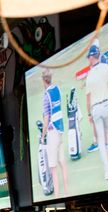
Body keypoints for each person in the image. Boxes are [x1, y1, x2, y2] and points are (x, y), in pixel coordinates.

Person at [85, 41, 108, 181]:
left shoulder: (89, 76)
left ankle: (107, 172)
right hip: (106, 105)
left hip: (95, 109)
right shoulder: (105, 67)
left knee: (101, 141)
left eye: (89, 57)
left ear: (92, 57)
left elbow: (88, 99)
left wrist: (88, 113)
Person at [41, 68, 69, 197]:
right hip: (60, 129)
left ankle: (57, 195)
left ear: (43, 80)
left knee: (53, 167)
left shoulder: (46, 96)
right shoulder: (57, 89)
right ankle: (67, 190)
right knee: (62, 161)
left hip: (52, 133)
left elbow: (46, 119)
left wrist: (43, 136)